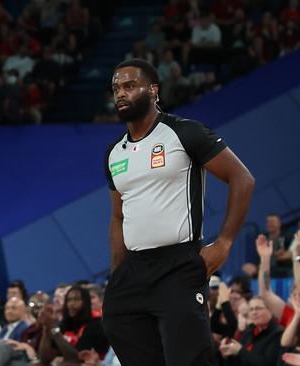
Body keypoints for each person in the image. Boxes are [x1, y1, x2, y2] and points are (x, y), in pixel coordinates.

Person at [102, 58, 255, 366]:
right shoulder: (114, 153)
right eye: (117, 87)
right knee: (116, 319)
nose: (121, 93)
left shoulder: (184, 133)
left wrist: (223, 244)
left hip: (178, 264)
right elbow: (118, 217)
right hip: (134, 268)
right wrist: (118, 273)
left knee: (188, 358)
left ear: (153, 90)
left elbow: (243, 179)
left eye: (130, 86)